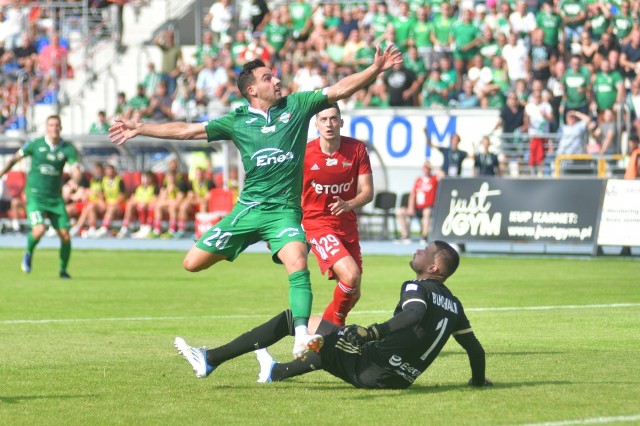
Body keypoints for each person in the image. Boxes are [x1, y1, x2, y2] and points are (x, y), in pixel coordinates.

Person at [109, 47, 403, 358]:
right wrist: (141, 128)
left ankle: (302, 336)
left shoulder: (298, 106)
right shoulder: (237, 121)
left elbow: (341, 88)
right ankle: (245, 241)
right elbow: (186, 130)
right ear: (253, 90)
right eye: (267, 78)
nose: (276, 80)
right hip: (248, 211)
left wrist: (375, 69)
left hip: (284, 214)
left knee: (298, 262)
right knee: (191, 263)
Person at [173, 241, 492, 390]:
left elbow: (414, 314)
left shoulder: (416, 287)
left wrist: (374, 331)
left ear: (434, 268)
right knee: (333, 336)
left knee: (293, 319)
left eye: (424, 251)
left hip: (372, 370)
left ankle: (210, 358)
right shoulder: (455, 304)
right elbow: (475, 350)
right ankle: (277, 372)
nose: (417, 251)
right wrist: (478, 383)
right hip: (399, 379)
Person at [302, 104, 374, 326]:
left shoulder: (357, 149)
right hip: (317, 224)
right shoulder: (304, 153)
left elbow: (368, 192)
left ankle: (321, 333)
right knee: (350, 276)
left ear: (341, 122)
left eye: (333, 119)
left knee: (354, 294)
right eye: (323, 119)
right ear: (316, 124)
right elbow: (290, 194)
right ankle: (337, 332)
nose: (329, 124)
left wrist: (349, 204)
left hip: (347, 225)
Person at [0, 115, 78, 278]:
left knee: (65, 235)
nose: (54, 128)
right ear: (46, 127)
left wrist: (73, 182)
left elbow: (76, 171)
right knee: (39, 230)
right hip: (35, 197)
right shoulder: (35, 145)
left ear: (61, 127)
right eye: (51, 125)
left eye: (57, 125)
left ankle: (63, 270)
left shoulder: (68, 149)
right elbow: (15, 158)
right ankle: (28, 252)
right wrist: (1, 173)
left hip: (56, 199)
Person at [396, 161, 439, 245]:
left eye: (427, 168)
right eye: (424, 168)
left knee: (427, 212)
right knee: (399, 211)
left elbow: (442, 175)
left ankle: (424, 236)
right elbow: (413, 194)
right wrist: (410, 207)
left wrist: (433, 167)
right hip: (417, 207)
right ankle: (405, 235)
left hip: (428, 207)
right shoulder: (418, 179)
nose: (426, 170)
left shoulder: (434, 179)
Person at [116, 170, 158, 239]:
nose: (145, 179)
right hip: (138, 204)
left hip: (147, 205)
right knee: (129, 205)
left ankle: (146, 227)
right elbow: (133, 198)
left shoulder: (154, 188)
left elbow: (155, 200)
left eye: (147, 177)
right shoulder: (138, 187)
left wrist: (145, 203)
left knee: (143, 206)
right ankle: (125, 227)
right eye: (143, 177)